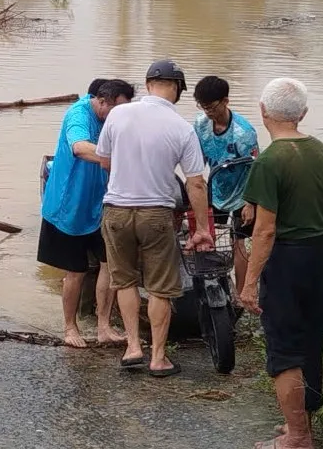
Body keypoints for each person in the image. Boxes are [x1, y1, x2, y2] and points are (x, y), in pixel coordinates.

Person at [239, 78, 323, 449]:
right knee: (312, 341)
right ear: (303, 113)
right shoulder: (322, 151)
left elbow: (264, 231)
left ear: (263, 112)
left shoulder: (269, 161)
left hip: (287, 259)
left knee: (284, 349)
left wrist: (249, 283)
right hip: (322, 252)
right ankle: (301, 429)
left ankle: (298, 437)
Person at [96, 59, 213, 377]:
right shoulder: (182, 128)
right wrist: (202, 228)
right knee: (161, 287)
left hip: (116, 211)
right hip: (157, 213)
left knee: (125, 280)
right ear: (176, 89)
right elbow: (196, 182)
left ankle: (133, 347)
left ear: (148, 84)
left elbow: (104, 160)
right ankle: (158, 358)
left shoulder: (118, 113)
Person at [38, 80, 135, 348]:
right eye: (118, 108)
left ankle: (104, 325)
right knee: (75, 271)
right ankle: (70, 327)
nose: (122, 114)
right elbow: (80, 147)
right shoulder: (78, 114)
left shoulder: (113, 118)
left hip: (101, 203)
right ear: (103, 102)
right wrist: (117, 160)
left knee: (109, 264)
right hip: (70, 205)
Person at [192, 75, 260, 299]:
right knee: (208, 237)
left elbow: (255, 170)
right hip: (215, 190)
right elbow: (195, 161)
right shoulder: (200, 124)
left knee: (238, 242)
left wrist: (251, 202)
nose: (207, 112)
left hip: (243, 194)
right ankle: (210, 286)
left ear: (225, 101)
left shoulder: (244, 134)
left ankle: (241, 295)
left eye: (211, 107)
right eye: (203, 107)